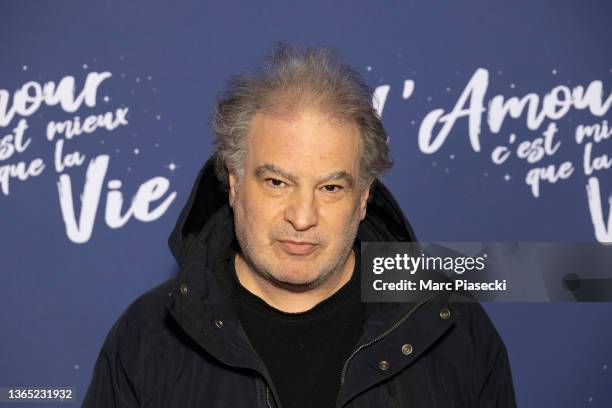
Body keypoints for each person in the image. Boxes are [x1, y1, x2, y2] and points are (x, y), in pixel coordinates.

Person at [83, 44, 517, 407]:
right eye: (276, 182)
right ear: (233, 185)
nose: (302, 217)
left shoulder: (450, 327)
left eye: (330, 188)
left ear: (364, 199)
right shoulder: (149, 337)